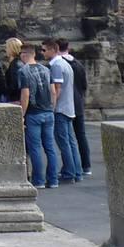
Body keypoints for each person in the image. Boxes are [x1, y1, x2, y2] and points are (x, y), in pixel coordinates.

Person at [15, 43, 59, 189]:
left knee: (35, 148)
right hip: (48, 111)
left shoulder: (23, 71)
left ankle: (38, 180)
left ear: (25, 54)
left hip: (34, 113)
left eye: (21, 54)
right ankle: (53, 180)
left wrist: (22, 114)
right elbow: (53, 91)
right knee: (50, 147)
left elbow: (25, 94)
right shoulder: (46, 69)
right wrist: (52, 107)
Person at [43, 39, 82, 184]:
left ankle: (69, 172)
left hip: (60, 108)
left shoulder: (57, 65)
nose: (43, 53)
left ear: (53, 50)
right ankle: (76, 171)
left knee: (63, 142)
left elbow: (57, 89)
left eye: (44, 50)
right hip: (68, 106)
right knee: (70, 142)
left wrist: (51, 106)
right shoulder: (65, 64)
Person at [58, 39, 91, 177]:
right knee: (80, 136)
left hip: (65, 103)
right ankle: (86, 165)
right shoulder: (78, 64)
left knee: (66, 139)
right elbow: (84, 85)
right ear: (68, 47)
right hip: (78, 102)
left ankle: (70, 167)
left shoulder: (58, 64)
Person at [2, 37, 24, 103]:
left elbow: (15, 84)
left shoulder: (15, 64)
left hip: (14, 99)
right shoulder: (20, 62)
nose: (6, 50)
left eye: (7, 47)